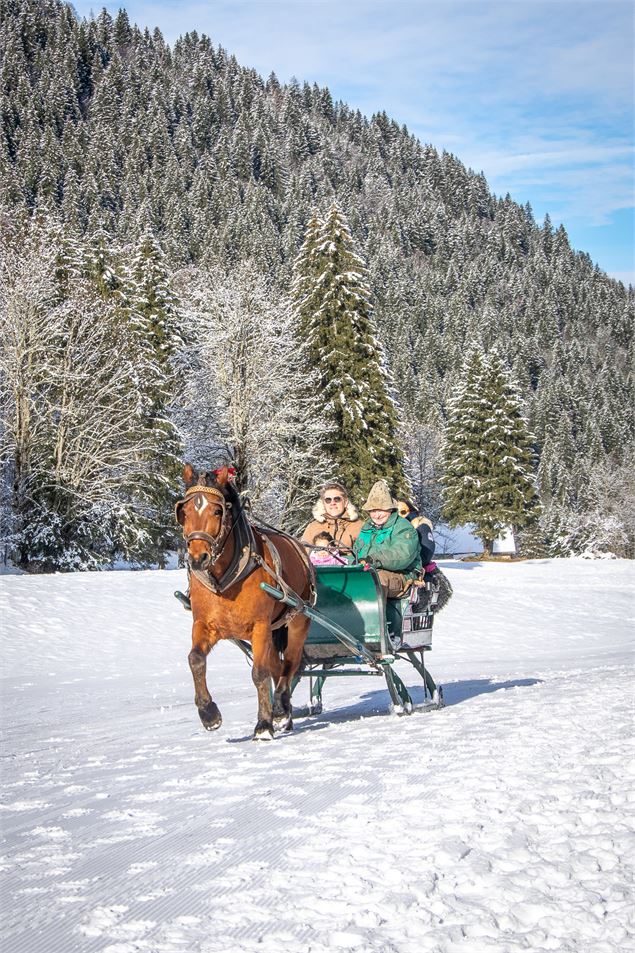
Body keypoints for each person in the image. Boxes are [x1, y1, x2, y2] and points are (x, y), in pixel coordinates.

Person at [353, 480, 421, 599]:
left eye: (381, 510)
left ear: (390, 509)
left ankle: (372, 617)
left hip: (402, 576)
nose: (377, 515)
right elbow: (357, 553)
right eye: (373, 511)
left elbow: (402, 555)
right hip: (368, 571)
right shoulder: (367, 527)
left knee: (375, 581)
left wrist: (373, 559)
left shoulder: (403, 527)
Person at [302, 481, 364, 551]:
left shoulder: (359, 527)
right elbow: (303, 555)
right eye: (328, 500)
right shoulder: (312, 528)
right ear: (323, 503)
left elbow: (365, 555)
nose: (332, 503)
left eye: (337, 499)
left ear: (345, 502)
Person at [396, 499, 436, 568]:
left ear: (410, 511)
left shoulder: (421, 526)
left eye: (403, 512)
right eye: (396, 512)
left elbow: (427, 554)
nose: (399, 516)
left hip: (419, 569)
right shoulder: (394, 527)